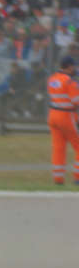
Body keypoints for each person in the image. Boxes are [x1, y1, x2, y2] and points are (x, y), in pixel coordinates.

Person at [48, 55, 79, 186]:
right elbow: (76, 101)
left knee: (58, 148)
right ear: (70, 66)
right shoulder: (69, 82)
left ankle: (58, 179)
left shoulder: (52, 79)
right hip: (67, 116)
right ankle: (77, 178)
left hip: (53, 115)